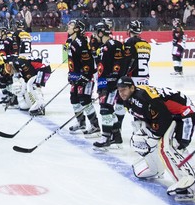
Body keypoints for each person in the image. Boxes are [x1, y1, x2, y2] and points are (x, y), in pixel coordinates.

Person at [117, 77, 195, 200]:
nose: (121, 93)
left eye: (124, 89)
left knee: (171, 146)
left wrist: (154, 137)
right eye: (119, 90)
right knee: (139, 140)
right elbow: (146, 117)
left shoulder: (143, 98)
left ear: (132, 88)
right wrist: (148, 136)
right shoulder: (130, 100)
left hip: (184, 114)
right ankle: (155, 169)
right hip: (170, 115)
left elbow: (164, 118)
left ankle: (189, 181)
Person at [93, 20, 127, 148]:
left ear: (101, 32)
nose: (95, 35)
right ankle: (116, 136)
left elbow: (119, 64)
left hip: (110, 84)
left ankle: (105, 137)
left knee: (105, 109)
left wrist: (114, 81)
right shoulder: (101, 48)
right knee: (108, 109)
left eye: (97, 32)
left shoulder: (114, 44)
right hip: (103, 83)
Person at [65, 19, 99, 135]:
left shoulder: (80, 42)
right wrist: (71, 74)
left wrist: (85, 76)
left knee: (85, 100)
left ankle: (95, 126)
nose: (68, 27)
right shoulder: (71, 41)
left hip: (85, 76)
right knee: (74, 99)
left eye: (71, 25)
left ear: (77, 29)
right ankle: (81, 123)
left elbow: (88, 62)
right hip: (75, 76)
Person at [124, 20, 152, 85]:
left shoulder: (129, 41)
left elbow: (127, 59)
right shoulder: (146, 43)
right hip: (145, 77)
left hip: (132, 77)